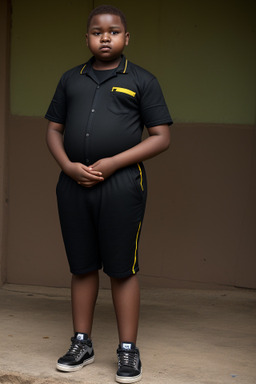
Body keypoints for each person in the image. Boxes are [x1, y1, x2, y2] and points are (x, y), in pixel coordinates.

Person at [45, 4, 172, 383]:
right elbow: (53, 130)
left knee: (121, 267)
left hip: (121, 185)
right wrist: (67, 166)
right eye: (97, 31)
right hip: (73, 183)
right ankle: (81, 342)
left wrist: (114, 162)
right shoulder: (71, 79)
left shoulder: (142, 80)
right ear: (86, 38)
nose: (105, 37)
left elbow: (162, 137)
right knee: (81, 265)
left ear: (126, 38)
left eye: (113, 31)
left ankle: (128, 350)